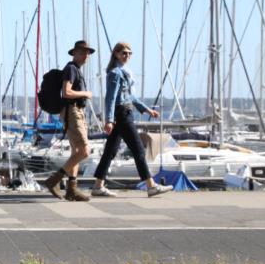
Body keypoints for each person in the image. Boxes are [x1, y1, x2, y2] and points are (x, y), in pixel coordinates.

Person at [91, 43, 172, 198]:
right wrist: (108, 120)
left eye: (129, 53)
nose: (127, 56)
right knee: (138, 150)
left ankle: (97, 186)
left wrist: (147, 109)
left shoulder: (125, 72)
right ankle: (151, 186)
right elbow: (110, 98)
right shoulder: (115, 73)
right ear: (116, 54)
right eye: (123, 53)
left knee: (110, 151)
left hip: (125, 112)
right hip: (121, 114)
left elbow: (132, 97)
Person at [42, 40, 94, 201]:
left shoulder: (75, 69)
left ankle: (72, 189)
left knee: (75, 152)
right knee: (85, 151)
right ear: (75, 53)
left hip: (75, 111)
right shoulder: (71, 69)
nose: (86, 55)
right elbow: (66, 92)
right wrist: (85, 93)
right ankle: (54, 180)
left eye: (87, 53)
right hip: (72, 111)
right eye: (82, 52)